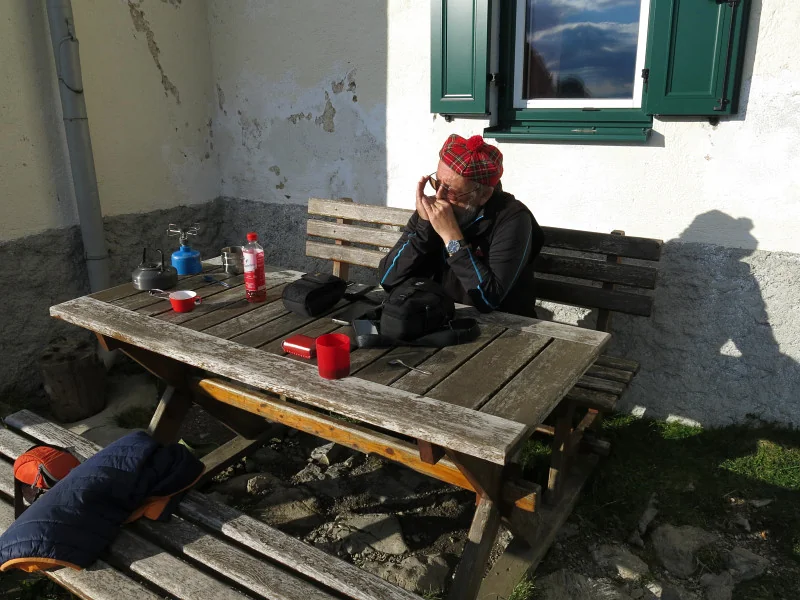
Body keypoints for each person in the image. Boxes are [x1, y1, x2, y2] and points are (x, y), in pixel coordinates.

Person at [379, 134, 544, 317]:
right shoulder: (433, 210)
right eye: (436, 183)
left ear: (484, 195)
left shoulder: (513, 219)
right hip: (438, 315)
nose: (439, 196)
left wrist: (452, 238)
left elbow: (489, 299)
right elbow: (387, 279)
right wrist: (424, 229)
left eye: (451, 192)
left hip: (501, 324)